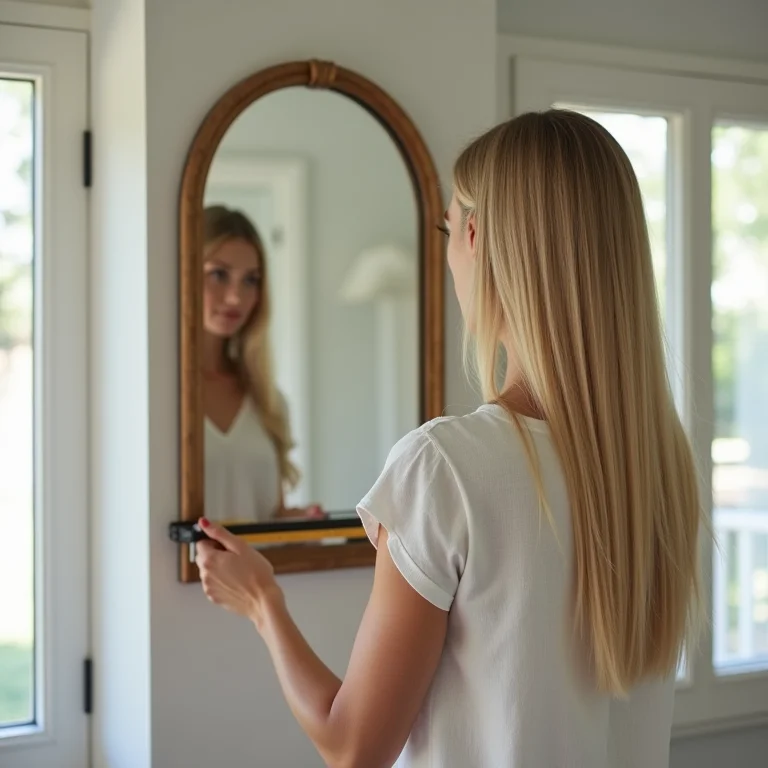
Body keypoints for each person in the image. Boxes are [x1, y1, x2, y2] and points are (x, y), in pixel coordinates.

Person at [195, 112, 702, 767]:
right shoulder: (661, 468)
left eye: (447, 228)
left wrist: (262, 601)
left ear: (472, 235)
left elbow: (353, 747)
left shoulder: (445, 467)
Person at [202, 205, 323, 522]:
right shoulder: (154, 398)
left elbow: (268, 517)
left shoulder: (269, 402)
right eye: (218, 274)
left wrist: (298, 524)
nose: (235, 298)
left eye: (250, 281)